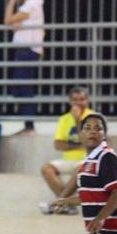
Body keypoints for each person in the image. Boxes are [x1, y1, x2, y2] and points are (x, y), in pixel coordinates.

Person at [39, 86, 92, 214]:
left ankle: (59, 204)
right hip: (68, 159)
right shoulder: (64, 119)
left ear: (88, 100)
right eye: (75, 100)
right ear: (70, 101)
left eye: (82, 99)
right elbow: (58, 145)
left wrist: (77, 120)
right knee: (46, 168)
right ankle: (67, 203)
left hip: (87, 159)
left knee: (81, 169)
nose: (79, 103)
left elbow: (90, 143)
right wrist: (79, 145)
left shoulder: (94, 117)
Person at [4, 0, 45, 135]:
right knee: (21, 87)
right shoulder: (33, 6)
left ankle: (29, 126)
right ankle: (28, 125)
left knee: (24, 87)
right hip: (26, 50)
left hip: (27, 51)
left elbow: (8, 20)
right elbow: (14, 25)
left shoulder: (32, 4)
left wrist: (11, 3)